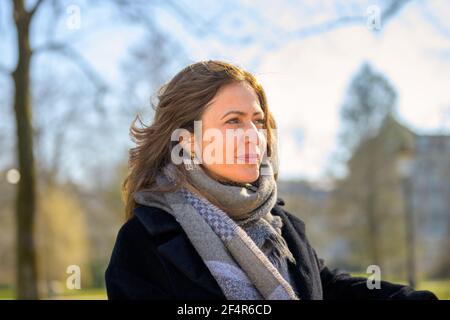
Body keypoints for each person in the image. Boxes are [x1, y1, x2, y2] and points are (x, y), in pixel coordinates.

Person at [105, 60, 437, 300]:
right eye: (233, 121)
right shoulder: (142, 244)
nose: (254, 136)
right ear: (188, 140)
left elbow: (327, 287)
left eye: (258, 121)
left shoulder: (280, 224)